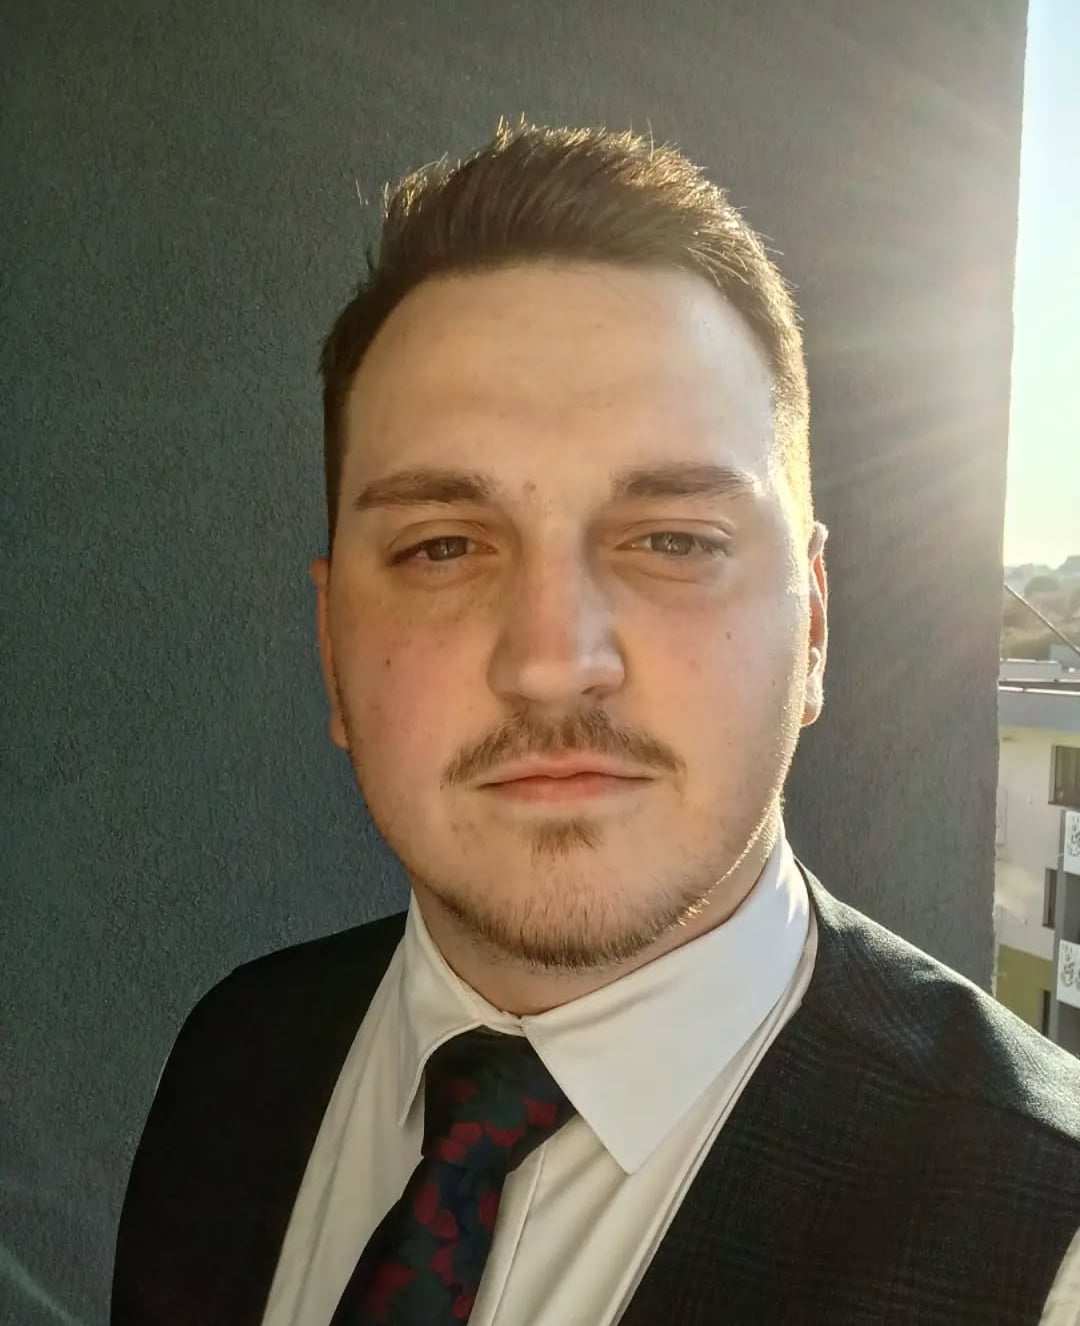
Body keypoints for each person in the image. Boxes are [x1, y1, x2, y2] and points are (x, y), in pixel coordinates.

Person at [110, 119, 1080, 1326]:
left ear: (815, 628)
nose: (553, 663)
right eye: (443, 546)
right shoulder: (234, 1057)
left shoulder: (1049, 1250)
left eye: (673, 539)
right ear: (331, 647)